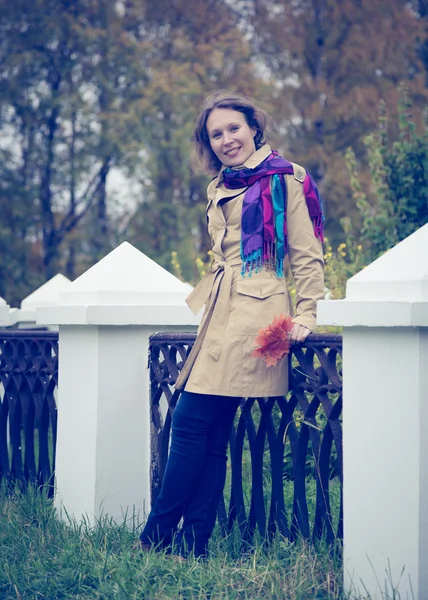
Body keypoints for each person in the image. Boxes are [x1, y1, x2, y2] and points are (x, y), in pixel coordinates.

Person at [139, 90, 325, 559]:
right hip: (220, 309)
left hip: (257, 316)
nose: (226, 139)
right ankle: (193, 542)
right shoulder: (220, 185)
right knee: (212, 432)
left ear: (254, 127)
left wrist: (307, 314)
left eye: (233, 128)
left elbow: (305, 253)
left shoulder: (286, 179)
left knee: (188, 421)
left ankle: (156, 537)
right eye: (215, 134)